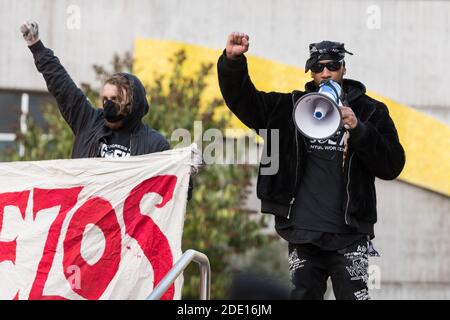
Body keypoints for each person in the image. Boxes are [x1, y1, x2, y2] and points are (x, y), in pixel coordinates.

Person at [217, 32, 405, 300]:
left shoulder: (370, 111)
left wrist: (361, 130)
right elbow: (246, 101)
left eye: (332, 66)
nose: (325, 73)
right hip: (303, 233)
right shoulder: (291, 108)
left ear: (344, 68)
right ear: (311, 73)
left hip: (349, 234)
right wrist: (233, 62)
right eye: (317, 67)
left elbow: (393, 165)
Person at [20, 21, 169, 159]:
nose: (108, 104)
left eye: (115, 99)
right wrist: (36, 46)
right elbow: (62, 86)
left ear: (132, 102)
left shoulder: (154, 145)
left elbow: (172, 182)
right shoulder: (88, 122)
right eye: (105, 99)